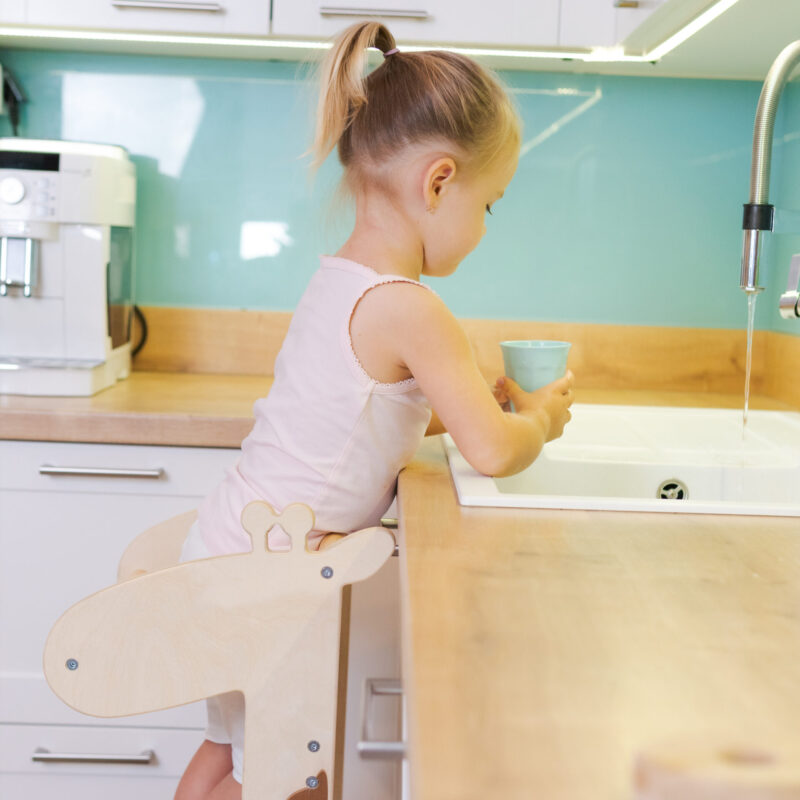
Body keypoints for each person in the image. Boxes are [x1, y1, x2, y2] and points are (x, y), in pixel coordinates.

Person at [174, 20, 574, 800]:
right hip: (271, 573)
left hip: (229, 545)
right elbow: (494, 452)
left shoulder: (340, 279)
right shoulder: (410, 308)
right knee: (293, 777)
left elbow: (358, 414)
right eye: (490, 204)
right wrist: (542, 421)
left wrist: (456, 409)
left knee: (230, 751)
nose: (486, 226)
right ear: (438, 181)